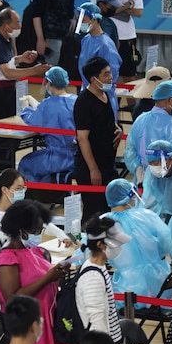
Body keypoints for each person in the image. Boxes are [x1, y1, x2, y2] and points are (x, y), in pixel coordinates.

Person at [0, 200, 76, 344]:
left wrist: (58, 272)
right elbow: (12, 298)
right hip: (27, 330)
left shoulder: (35, 251)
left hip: (47, 324)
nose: (38, 235)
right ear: (20, 230)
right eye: (36, 231)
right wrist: (48, 278)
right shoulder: (6, 260)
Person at [103, 178, 172, 309]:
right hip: (160, 285)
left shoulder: (103, 223)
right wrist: (157, 256)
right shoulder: (147, 215)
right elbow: (166, 239)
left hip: (127, 289)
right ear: (130, 196)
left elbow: (87, 252)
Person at [76, 216, 132, 344]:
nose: (119, 247)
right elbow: (97, 321)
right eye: (116, 243)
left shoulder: (99, 267)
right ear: (100, 245)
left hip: (109, 342)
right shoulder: (92, 277)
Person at [75, 56, 122, 221]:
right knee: (93, 214)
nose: (111, 77)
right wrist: (93, 169)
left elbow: (105, 121)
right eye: (106, 74)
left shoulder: (105, 95)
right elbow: (82, 138)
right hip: (91, 165)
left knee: (107, 210)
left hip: (108, 162)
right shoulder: (83, 102)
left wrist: (118, 130)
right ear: (94, 79)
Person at [0, 8, 50, 120]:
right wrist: (34, 71)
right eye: (17, 22)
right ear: (6, 26)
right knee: (3, 128)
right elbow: (7, 72)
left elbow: (5, 61)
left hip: (9, 90)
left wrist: (21, 59)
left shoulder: (6, 38)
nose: (20, 26)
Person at [125, 79, 172, 184]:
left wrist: (138, 169)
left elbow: (130, 150)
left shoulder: (141, 119)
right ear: (169, 101)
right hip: (169, 183)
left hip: (143, 181)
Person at [89, 0, 143, 81]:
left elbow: (138, 12)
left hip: (127, 36)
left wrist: (111, 8)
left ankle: (131, 103)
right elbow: (96, 11)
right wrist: (125, 5)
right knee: (105, 76)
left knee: (129, 76)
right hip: (105, 36)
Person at [18, 66, 77, 184]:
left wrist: (25, 109)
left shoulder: (48, 104)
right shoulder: (76, 100)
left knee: (25, 163)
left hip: (56, 158)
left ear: (49, 83)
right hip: (77, 157)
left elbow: (33, 121)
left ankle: (38, 196)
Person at [77, 3, 122, 116]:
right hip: (87, 94)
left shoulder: (106, 45)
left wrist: (100, 98)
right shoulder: (86, 40)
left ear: (94, 19)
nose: (80, 22)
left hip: (102, 99)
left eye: (83, 19)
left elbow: (110, 78)